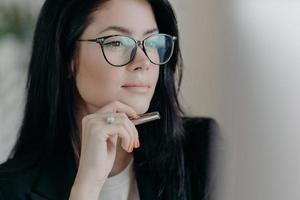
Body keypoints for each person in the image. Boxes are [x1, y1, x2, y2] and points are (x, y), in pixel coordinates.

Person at [0, 0, 218, 199]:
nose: (143, 61)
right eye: (117, 42)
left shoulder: (203, 151)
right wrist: (86, 188)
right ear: (68, 58)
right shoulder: (10, 189)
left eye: (152, 42)